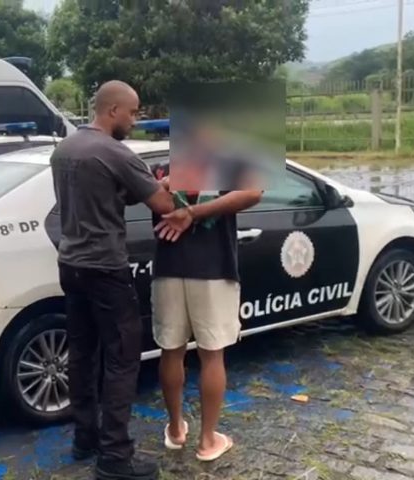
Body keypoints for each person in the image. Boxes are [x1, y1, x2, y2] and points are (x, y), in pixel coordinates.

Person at [50, 80, 192, 480]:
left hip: (71, 265)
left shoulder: (65, 149)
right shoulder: (115, 152)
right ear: (112, 110)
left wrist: (148, 185)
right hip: (105, 269)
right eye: (132, 112)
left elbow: (108, 194)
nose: (135, 120)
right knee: (122, 359)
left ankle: (85, 438)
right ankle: (115, 456)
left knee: (82, 354)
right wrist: (172, 190)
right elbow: (164, 205)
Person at [151, 123, 263, 461]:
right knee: (212, 355)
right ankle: (207, 440)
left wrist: (178, 200)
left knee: (171, 351)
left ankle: (175, 430)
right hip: (214, 271)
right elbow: (253, 192)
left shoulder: (162, 169)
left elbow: (147, 197)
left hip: (168, 269)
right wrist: (195, 211)